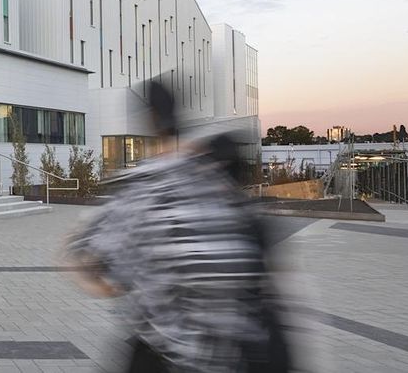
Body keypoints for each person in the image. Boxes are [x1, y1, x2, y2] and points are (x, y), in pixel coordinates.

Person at [67, 81, 284, 373]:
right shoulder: (218, 190)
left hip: (164, 353)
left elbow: (89, 261)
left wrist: (129, 286)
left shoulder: (143, 187)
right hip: (226, 354)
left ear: (150, 118)